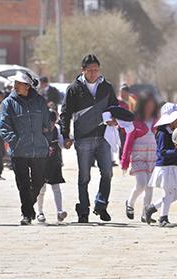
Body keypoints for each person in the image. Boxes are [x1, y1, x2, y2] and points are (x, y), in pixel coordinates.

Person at [60, 54, 119, 223]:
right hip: (83, 138)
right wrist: (65, 135)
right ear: (83, 70)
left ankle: (101, 205)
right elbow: (65, 113)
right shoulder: (73, 88)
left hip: (104, 136)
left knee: (107, 172)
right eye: (90, 70)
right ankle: (83, 210)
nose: (93, 73)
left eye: (96, 70)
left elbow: (115, 107)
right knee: (84, 177)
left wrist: (116, 119)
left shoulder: (106, 87)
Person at [0, 71, 51, 225]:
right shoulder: (7, 103)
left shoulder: (40, 101)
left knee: (38, 181)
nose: (15, 86)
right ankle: (26, 214)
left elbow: (47, 122)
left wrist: (46, 137)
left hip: (39, 150)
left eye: (18, 83)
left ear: (27, 86)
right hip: (19, 151)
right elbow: (4, 127)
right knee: (23, 184)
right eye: (15, 83)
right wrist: (15, 140)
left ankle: (28, 207)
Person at [121, 92, 158, 222]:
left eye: (152, 106)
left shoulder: (157, 121)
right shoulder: (135, 121)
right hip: (138, 156)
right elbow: (128, 141)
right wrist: (124, 162)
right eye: (147, 106)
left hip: (152, 157)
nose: (149, 108)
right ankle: (130, 203)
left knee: (150, 186)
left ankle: (145, 213)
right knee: (141, 184)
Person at [36, 109, 67, 223]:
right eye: (49, 123)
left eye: (53, 123)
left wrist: (67, 143)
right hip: (41, 162)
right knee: (41, 188)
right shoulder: (38, 130)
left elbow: (61, 143)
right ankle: (40, 212)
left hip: (54, 162)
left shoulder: (57, 129)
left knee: (56, 187)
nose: (51, 125)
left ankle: (59, 211)